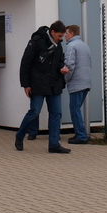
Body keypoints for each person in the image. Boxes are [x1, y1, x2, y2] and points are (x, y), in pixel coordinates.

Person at [15, 21, 71, 154]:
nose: (61, 39)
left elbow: (60, 61)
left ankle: (54, 144)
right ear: (52, 32)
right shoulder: (36, 41)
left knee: (56, 113)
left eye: (62, 36)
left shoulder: (58, 45)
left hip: (54, 84)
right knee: (34, 112)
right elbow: (25, 63)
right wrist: (26, 84)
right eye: (59, 36)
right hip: (37, 83)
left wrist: (61, 68)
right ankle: (20, 135)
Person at [62, 25, 92, 144]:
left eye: (66, 33)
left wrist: (66, 79)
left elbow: (69, 65)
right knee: (77, 109)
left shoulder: (71, 46)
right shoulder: (85, 45)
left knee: (74, 110)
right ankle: (81, 133)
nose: (65, 36)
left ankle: (81, 135)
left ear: (72, 34)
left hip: (77, 82)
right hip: (86, 81)